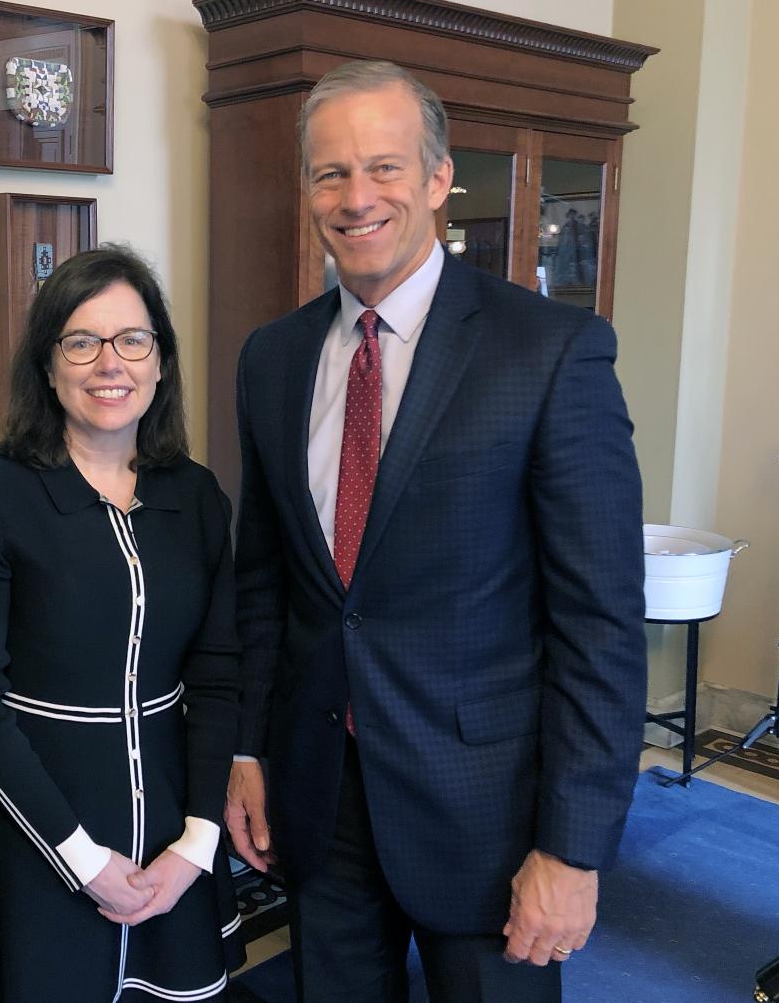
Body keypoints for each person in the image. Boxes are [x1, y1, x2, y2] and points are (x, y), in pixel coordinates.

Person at [223, 60, 646, 1002]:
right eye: (331, 173)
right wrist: (247, 749)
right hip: (319, 796)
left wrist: (571, 850)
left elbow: (601, 626)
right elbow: (264, 582)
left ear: (438, 176)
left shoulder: (550, 351)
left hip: (488, 816)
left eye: (384, 167)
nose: (357, 196)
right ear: (307, 189)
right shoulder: (274, 358)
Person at [0, 246, 243, 1002]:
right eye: (81, 342)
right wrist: (82, 860)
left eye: (132, 339)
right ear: (48, 366)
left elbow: (219, 679)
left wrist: (196, 843)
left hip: (170, 834)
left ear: (160, 361)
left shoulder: (196, 496)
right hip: (31, 833)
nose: (109, 364)